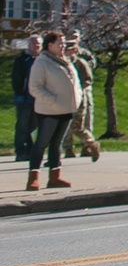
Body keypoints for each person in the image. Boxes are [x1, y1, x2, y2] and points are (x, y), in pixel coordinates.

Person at [25, 31, 82, 190]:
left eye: (64, 43)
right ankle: (33, 177)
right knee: (41, 143)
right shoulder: (42, 63)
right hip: (49, 111)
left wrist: (77, 98)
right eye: (60, 43)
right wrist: (52, 101)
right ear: (49, 45)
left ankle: (54, 177)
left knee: (57, 144)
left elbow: (74, 82)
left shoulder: (65, 61)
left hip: (66, 109)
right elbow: (35, 88)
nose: (63, 46)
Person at [61, 29, 100, 162]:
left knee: (78, 126)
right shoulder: (62, 63)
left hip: (79, 98)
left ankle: (89, 144)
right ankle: (68, 148)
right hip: (64, 99)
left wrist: (78, 89)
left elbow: (88, 79)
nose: (68, 51)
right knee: (64, 126)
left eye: (71, 48)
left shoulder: (81, 62)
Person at [13, 34, 41, 164]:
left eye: (39, 45)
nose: (37, 47)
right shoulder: (22, 60)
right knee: (22, 127)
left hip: (38, 99)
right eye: (35, 45)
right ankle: (21, 152)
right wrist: (19, 93)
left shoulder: (43, 60)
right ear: (29, 46)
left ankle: (30, 150)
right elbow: (17, 78)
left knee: (33, 126)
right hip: (24, 98)